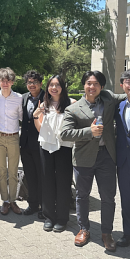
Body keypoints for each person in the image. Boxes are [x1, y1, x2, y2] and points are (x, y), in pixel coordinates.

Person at [61, 71, 126, 251]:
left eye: (96, 83)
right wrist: (89, 132)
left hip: (107, 156)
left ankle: (107, 233)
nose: (92, 86)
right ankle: (84, 229)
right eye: (89, 83)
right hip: (83, 157)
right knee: (82, 196)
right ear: (84, 85)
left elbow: (128, 94)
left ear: (102, 86)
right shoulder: (72, 109)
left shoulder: (108, 98)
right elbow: (64, 134)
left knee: (108, 197)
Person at [33, 75, 76, 233]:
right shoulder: (44, 104)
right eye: (51, 85)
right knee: (47, 181)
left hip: (65, 147)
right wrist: (36, 115)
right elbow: (39, 128)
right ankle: (49, 216)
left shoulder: (71, 104)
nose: (54, 88)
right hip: (46, 146)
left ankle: (62, 218)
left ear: (62, 87)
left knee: (63, 182)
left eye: (57, 85)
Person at [0, 68, 22, 216]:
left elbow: (22, 118)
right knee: (1, 171)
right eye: (2, 80)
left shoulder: (19, 98)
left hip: (14, 137)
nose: (5, 83)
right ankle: (5, 201)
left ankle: (13, 200)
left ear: (12, 82)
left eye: (8, 80)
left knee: (13, 171)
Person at [114, 69, 130, 247]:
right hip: (123, 162)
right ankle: (128, 233)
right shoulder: (119, 106)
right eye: (128, 82)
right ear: (122, 85)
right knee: (126, 201)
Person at [20, 70, 45, 218]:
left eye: (35, 82)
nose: (32, 85)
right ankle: (33, 204)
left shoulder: (47, 98)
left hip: (41, 143)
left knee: (41, 175)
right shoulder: (23, 98)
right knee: (29, 175)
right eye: (29, 82)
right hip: (25, 144)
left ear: (41, 83)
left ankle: (44, 206)